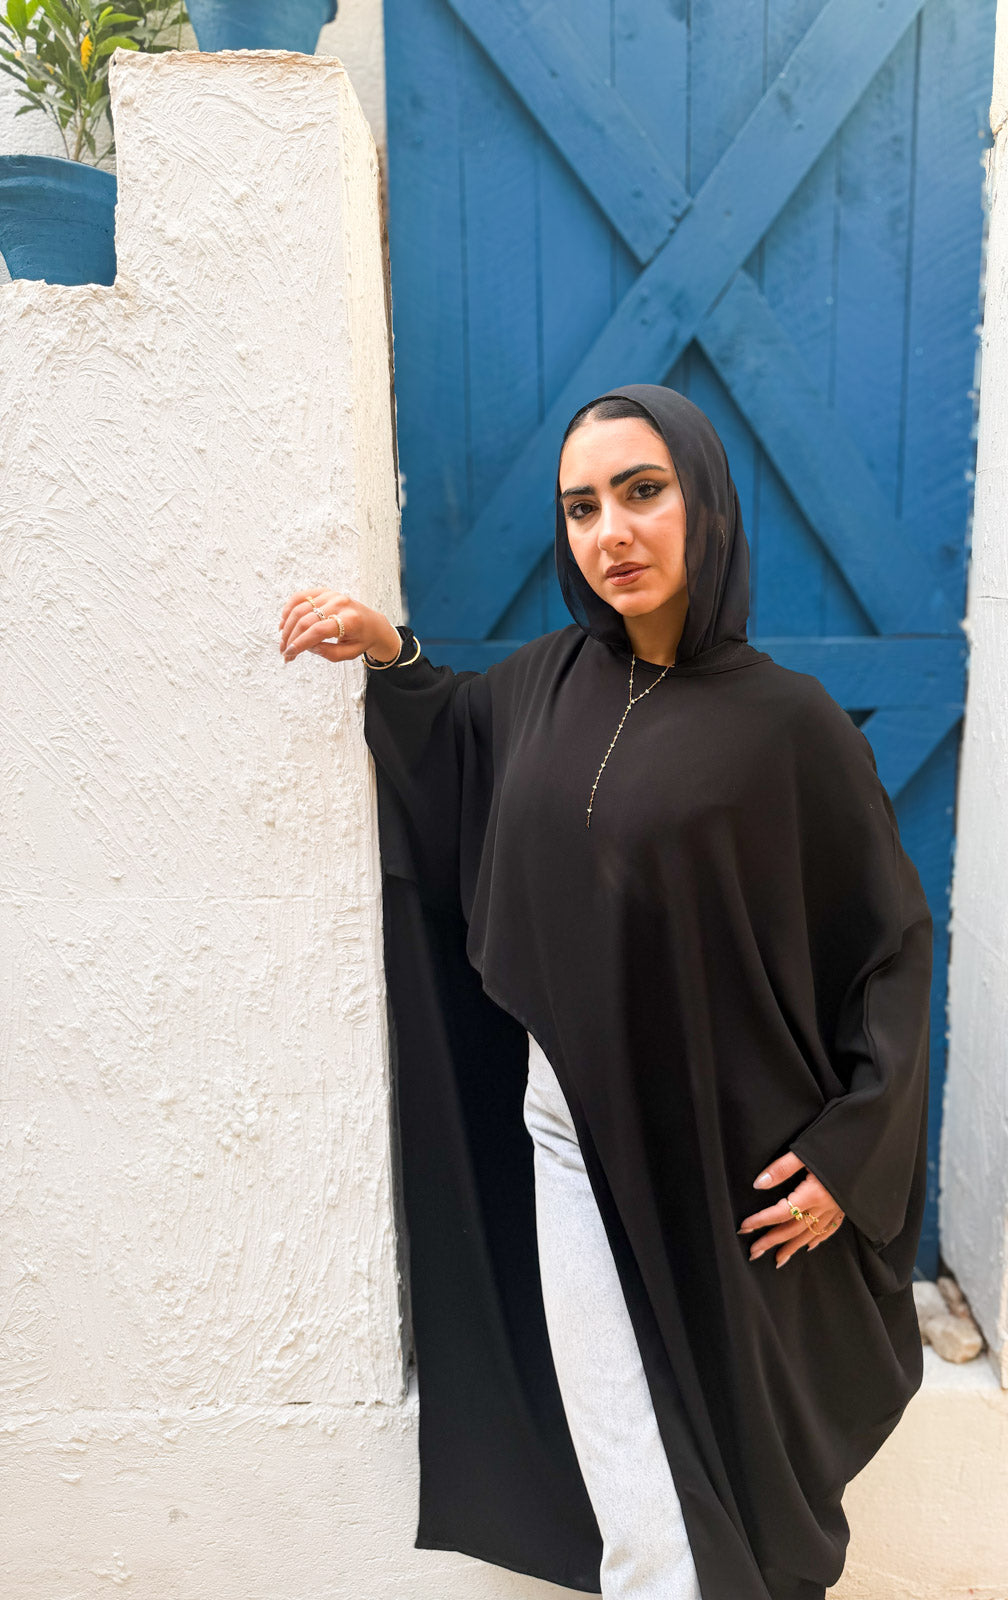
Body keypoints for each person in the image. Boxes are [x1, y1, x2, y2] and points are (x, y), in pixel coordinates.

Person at [277, 383, 934, 1600]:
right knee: (636, 1480)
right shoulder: (545, 681)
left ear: (707, 503)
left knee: (725, 1478)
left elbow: (892, 945)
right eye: (582, 507)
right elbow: (462, 738)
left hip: (727, 1168)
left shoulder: (790, 727)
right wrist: (391, 652)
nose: (610, 532)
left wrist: (854, 1151)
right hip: (570, 1144)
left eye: (642, 491)